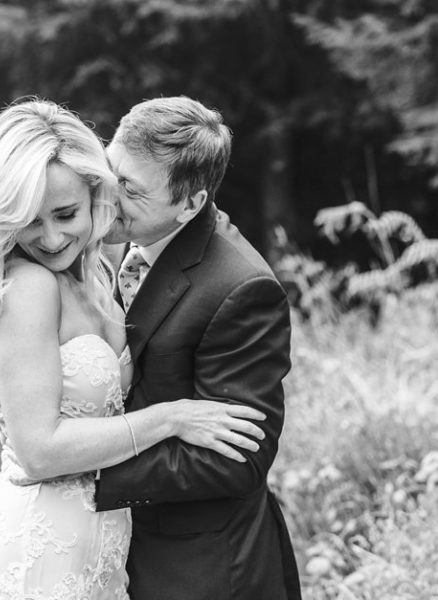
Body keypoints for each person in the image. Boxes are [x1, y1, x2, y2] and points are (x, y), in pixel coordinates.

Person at [0, 99, 268, 600]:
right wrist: (170, 418)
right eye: (29, 220)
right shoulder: (30, 285)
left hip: (109, 554)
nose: (51, 238)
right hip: (42, 551)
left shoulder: (99, 270)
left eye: (66, 214)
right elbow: (39, 450)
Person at [94, 95, 301, 599]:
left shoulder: (242, 289)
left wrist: (80, 467)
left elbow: (237, 459)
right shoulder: (94, 234)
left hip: (198, 568)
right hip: (103, 551)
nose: (107, 196)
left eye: (131, 190)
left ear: (191, 203)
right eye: (109, 171)